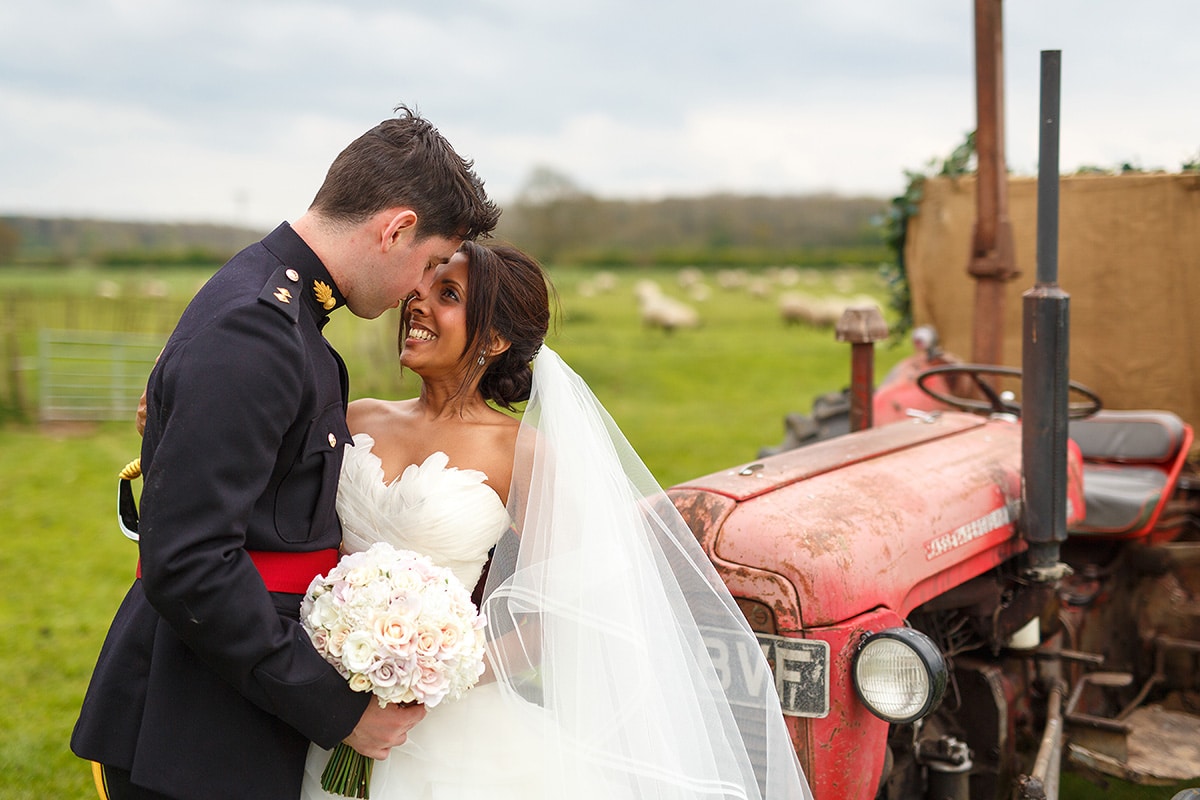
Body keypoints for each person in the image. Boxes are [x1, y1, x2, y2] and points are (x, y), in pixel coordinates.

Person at [71, 106, 500, 800]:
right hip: (194, 728)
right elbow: (189, 562)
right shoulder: (258, 331)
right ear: (394, 228)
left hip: (228, 706)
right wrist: (339, 710)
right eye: (425, 263)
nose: (416, 290)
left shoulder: (280, 310)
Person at [300, 241, 814, 799]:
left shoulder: (524, 453)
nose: (416, 300)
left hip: (453, 735)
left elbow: (562, 613)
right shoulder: (355, 417)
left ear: (494, 340)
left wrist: (430, 674)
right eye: (423, 282)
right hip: (333, 714)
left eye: (447, 294)